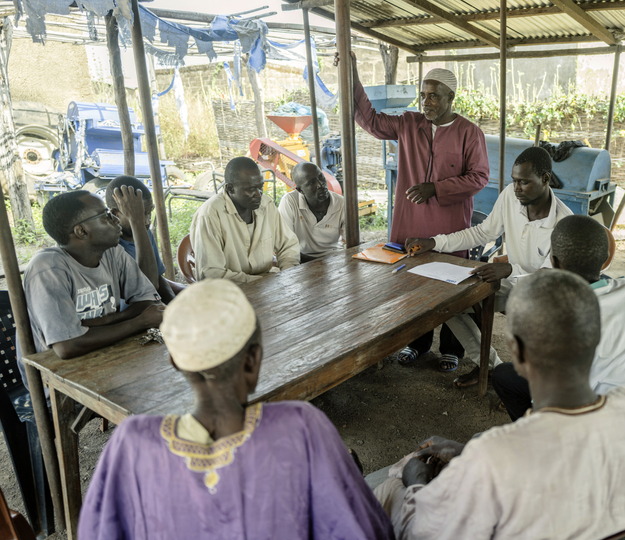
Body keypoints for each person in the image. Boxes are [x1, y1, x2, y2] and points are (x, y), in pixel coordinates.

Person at [78, 279, 395, 540]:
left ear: (176, 361)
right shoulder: (302, 427)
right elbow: (364, 530)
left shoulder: (131, 444)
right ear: (253, 360)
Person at [371, 271, 625, 540]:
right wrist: (470, 453)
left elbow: (424, 531)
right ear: (595, 340)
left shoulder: (496, 455)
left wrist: (414, 483)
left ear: (516, 349)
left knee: (383, 488)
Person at [492, 215, 625, 465]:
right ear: (606, 258)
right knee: (509, 376)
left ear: (553, 262)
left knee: (508, 380)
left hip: (620, 478)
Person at [335, 52, 489, 372]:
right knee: (410, 284)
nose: (426, 101)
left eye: (434, 95)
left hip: (449, 227)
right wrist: (352, 76)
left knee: (450, 288)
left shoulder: (469, 132)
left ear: (450, 98)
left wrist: (436, 188)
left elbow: (479, 177)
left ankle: (452, 348)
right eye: (422, 95)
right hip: (410, 223)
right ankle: (416, 342)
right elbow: (371, 121)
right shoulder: (408, 124)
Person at [406, 147, 572, 386]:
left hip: (544, 296)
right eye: (514, 181)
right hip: (511, 283)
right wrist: (435, 242)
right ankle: (490, 366)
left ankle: (525, 387)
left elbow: (549, 279)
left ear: (545, 179)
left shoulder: (562, 223)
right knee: (450, 305)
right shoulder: (510, 196)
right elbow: (483, 232)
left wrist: (510, 270)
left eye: (524, 182)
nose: (516, 189)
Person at [19, 190, 163, 383]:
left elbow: (147, 302)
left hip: (107, 360)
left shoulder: (113, 253)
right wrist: (139, 322)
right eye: (106, 216)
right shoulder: (48, 268)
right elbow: (67, 347)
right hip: (60, 383)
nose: (116, 220)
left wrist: (102, 322)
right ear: (82, 231)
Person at [190, 157, 300, 283]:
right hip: (231, 291)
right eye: (251, 189)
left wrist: (288, 273)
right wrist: (259, 281)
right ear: (230, 188)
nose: (258, 194)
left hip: (268, 283)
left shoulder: (266, 205)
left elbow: (288, 245)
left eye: (260, 187)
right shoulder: (210, 215)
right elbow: (211, 274)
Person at [105, 175, 183, 303]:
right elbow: (149, 284)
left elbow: (157, 277)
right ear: (115, 214)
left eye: (149, 212)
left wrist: (174, 306)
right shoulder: (107, 245)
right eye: (139, 214)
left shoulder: (144, 231)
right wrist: (137, 222)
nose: (147, 221)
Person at [278, 162, 346, 262]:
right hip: (302, 260)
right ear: (300, 190)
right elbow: (284, 245)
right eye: (311, 183)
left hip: (334, 259)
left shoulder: (341, 203)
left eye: (321, 177)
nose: (320, 184)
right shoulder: (290, 202)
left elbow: (352, 242)